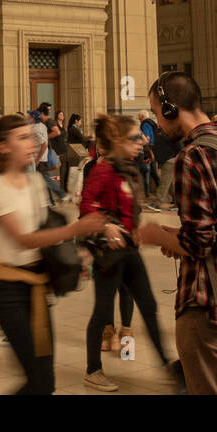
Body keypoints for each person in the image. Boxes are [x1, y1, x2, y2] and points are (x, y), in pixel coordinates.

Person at [135, 72, 217, 394]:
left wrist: (156, 235)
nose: (158, 123)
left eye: (157, 112)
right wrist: (178, 234)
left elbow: (198, 243)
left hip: (208, 304)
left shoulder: (193, 156)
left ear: (171, 108)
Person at [0, 113, 105, 393]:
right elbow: (24, 239)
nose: (32, 143)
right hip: (7, 290)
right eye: (22, 138)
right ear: (2, 146)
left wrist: (77, 254)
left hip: (37, 286)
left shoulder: (35, 183)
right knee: (39, 380)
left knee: (44, 381)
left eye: (32, 136)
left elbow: (45, 234)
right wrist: (76, 228)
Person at [79, 114, 179, 392]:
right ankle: (93, 370)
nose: (143, 141)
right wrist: (107, 226)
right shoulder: (102, 170)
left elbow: (131, 207)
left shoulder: (129, 168)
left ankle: (167, 366)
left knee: (148, 306)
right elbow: (86, 206)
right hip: (109, 254)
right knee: (101, 312)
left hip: (130, 250)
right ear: (119, 141)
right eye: (136, 137)